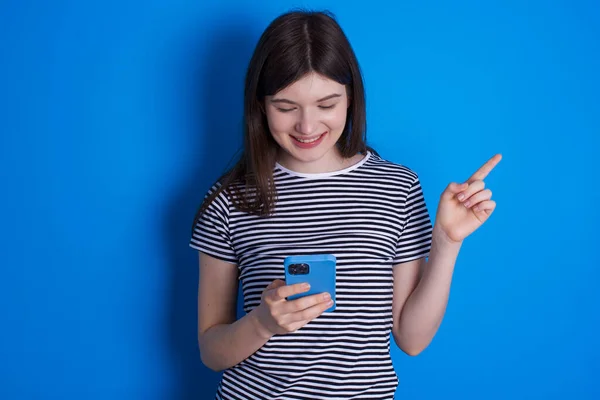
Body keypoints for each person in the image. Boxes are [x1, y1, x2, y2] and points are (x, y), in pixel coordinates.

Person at [190, 9, 501, 400]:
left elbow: (412, 339)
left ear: (351, 97)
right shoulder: (229, 199)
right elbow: (211, 351)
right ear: (260, 104)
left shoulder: (397, 188)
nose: (307, 126)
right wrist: (262, 324)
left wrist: (447, 242)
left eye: (326, 104)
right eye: (286, 107)